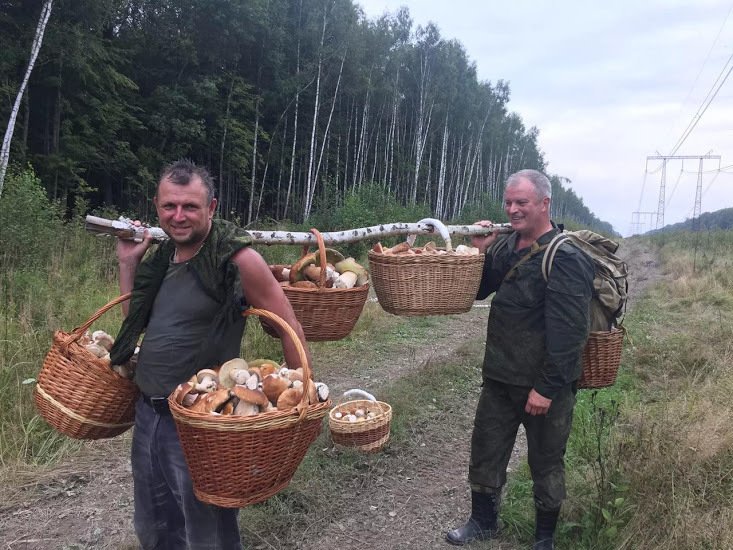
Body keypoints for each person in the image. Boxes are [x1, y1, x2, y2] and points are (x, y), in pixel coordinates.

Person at [109, 159, 311, 550]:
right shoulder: (161, 258)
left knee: (208, 533)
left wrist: (300, 403)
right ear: (156, 205)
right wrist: (128, 262)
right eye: (169, 206)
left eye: (190, 207)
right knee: (154, 526)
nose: (178, 216)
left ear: (212, 208)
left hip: (203, 423)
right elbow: (135, 323)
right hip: (149, 414)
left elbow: (291, 327)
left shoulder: (236, 260)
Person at [445, 169, 595, 549]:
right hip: (499, 376)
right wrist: (480, 249)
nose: (512, 209)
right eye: (509, 202)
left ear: (544, 204)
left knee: (545, 461)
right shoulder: (506, 246)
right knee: (486, 450)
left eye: (521, 202)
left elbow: (570, 334)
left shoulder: (565, 256)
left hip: (546, 386)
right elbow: (477, 292)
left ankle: (544, 537)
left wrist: (545, 389)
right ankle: (482, 522)